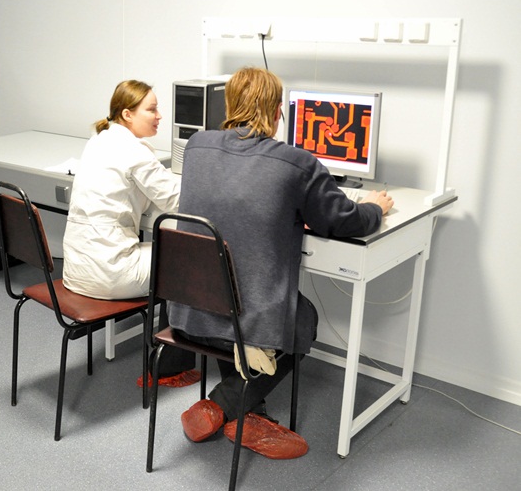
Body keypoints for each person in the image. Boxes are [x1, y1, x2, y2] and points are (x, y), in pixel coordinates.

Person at [168, 67, 394, 457]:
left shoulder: (196, 146)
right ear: (276, 112)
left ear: (230, 104)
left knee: (235, 298)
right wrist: (375, 207)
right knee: (303, 320)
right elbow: (344, 221)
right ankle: (224, 405)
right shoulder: (296, 163)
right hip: (245, 325)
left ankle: (245, 410)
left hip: (189, 313)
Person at [63, 79, 197, 386]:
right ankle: (168, 369)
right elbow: (175, 199)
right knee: (187, 262)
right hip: (108, 272)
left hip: (76, 269)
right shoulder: (134, 151)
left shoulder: (98, 140)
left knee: (170, 255)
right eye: (151, 109)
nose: (159, 116)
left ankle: (174, 357)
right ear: (127, 114)